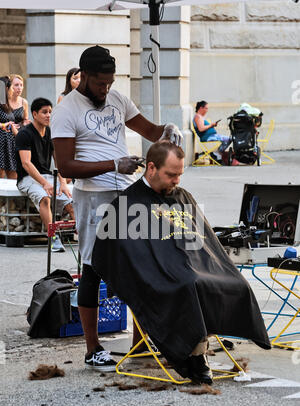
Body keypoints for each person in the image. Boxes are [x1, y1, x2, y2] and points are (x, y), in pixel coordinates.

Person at [92, 140, 271, 384]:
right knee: (191, 286)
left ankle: (202, 341)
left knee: (235, 281)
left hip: (192, 266)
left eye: (180, 175)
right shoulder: (125, 205)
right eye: (171, 175)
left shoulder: (183, 196)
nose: (177, 181)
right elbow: (115, 257)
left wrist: (213, 264)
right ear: (152, 168)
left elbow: (204, 241)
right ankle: (196, 355)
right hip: (156, 275)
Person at [51, 45, 183, 373]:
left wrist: (167, 131)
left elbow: (150, 132)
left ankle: (141, 340)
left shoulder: (118, 99)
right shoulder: (66, 110)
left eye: (109, 83)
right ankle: (92, 347)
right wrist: (114, 163)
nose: (105, 89)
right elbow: (65, 166)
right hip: (92, 197)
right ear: (83, 77)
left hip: (126, 193)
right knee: (94, 268)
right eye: (99, 83)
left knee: (140, 263)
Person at [15, 97, 74, 253]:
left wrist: (63, 183)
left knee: (71, 203)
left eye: (50, 112)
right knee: (44, 198)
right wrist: (44, 183)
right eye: (44, 112)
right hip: (27, 179)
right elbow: (26, 163)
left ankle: (82, 236)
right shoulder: (24, 134)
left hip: (47, 177)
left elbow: (59, 160)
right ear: (34, 114)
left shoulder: (50, 132)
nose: (48, 115)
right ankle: (53, 238)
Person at [0, 75, 27, 179]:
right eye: (13, 86)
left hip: (10, 144)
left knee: (14, 179)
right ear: (6, 89)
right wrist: (3, 125)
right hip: (1, 145)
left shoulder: (6, 104)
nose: (16, 89)